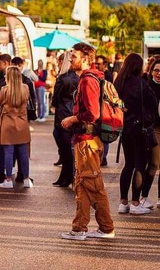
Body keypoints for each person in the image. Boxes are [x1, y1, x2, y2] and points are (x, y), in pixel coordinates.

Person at [60, 42, 115, 240]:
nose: (70, 58)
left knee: (92, 184)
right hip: (87, 139)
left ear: (85, 58)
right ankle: (82, 228)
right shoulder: (91, 77)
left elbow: (92, 113)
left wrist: (72, 118)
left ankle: (100, 228)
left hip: (87, 140)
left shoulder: (87, 80)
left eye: (73, 56)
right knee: (84, 184)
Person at [113, 53, 158, 215]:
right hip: (140, 129)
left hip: (125, 128)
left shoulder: (119, 83)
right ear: (138, 66)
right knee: (140, 165)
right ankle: (135, 202)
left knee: (128, 164)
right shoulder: (141, 84)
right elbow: (153, 104)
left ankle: (123, 202)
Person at [0, 66, 32, 188]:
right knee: (23, 152)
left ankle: (8, 179)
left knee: (8, 152)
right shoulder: (25, 88)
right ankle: (26, 179)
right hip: (22, 123)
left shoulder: (4, 90)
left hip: (7, 123)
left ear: (9, 77)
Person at [50, 51, 78, 188]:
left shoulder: (62, 78)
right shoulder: (78, 77)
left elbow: (55, 99)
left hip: (63, 113)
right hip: (74, 112)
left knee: (66, 148)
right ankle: (68, 177)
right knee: (71, 148)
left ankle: (67, 177)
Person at [145, 56, 160, 208]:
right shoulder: (147, 87)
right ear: (151, 71)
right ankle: (143, 197)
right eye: (156, 70)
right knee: (154, 164)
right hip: (153, 128)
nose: (159, 73)